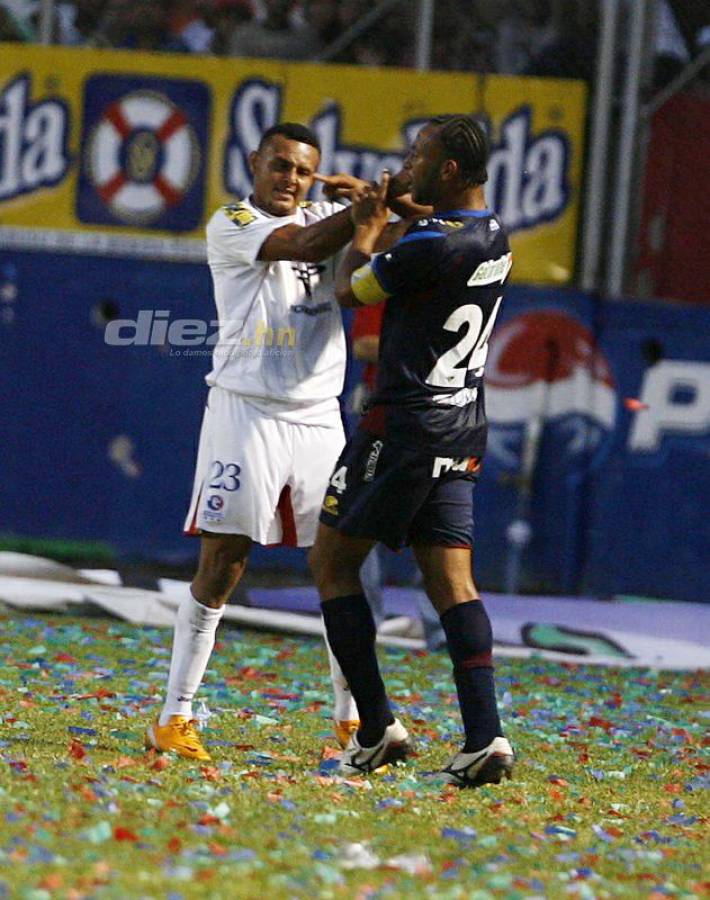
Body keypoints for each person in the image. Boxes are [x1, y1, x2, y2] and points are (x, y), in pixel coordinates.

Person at [145, 122, 374, 761]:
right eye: (280, 165)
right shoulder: (233, 221)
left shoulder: (336, 213)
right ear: (254, 162)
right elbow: (303, 241)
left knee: (340, 565)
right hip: (245, 412)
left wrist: (384, 206)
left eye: (302, 170)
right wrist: (362, 213)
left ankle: (354, 724)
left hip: (319, 419)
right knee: (225, 563)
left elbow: (385, 247)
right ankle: (174, 716)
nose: (290, 179)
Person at [310, 115, 515, 788]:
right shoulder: (493, 233)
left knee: (332, 562)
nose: (407, 161)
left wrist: (366, 231)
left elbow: (351, 289)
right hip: (461, 428)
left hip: (401, 429)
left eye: (418, 155)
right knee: (452, 581)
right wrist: (385, 200)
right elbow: (434, 224)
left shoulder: (428, 246)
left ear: (449, 169)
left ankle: (375, 729)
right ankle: (486, 737)